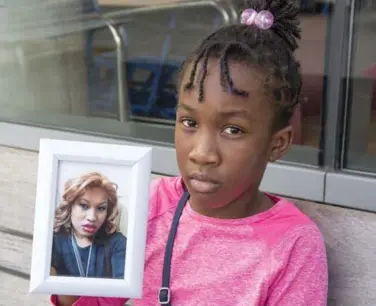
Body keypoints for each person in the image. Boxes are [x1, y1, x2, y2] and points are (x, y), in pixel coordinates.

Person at [51, 0, 328, 305]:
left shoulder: (293, 245)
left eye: (233, 130)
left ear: (277, 144)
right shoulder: (147, 207)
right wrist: (69, 282)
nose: (202, 153)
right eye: (189, 122)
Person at [51, 171, 127, 280]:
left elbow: (122, 293)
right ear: (70, 206)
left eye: (101, 208)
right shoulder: (54, 241)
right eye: (84, 206)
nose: (92, 217)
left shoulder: (118, 244)